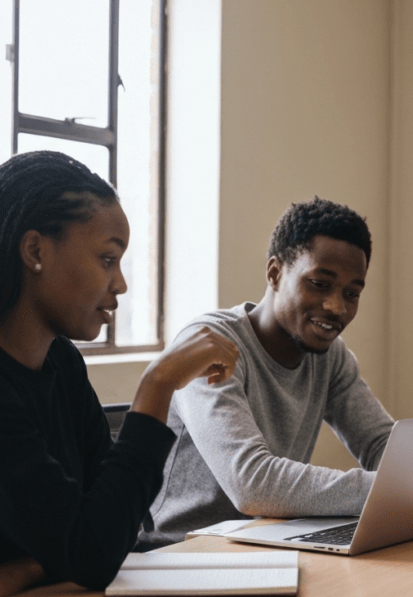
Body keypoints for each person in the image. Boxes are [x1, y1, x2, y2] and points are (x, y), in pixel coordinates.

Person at [0, 151, 239, 597]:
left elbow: (113, 525)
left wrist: (22, 570)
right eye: (107, 258)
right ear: (36, 251)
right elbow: (95, 550)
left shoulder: (61, 363)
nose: (120, 284)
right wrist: (157, 385)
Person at [139, 197, 395, 547]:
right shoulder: (210, 346)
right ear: (275, 272)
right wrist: (396, 488)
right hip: (179, 552)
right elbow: (251, 484)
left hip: (265, 543)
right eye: (319, 284)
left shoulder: (330, 357)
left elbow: (383, 444)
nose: (337, 307)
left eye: (352, 293)